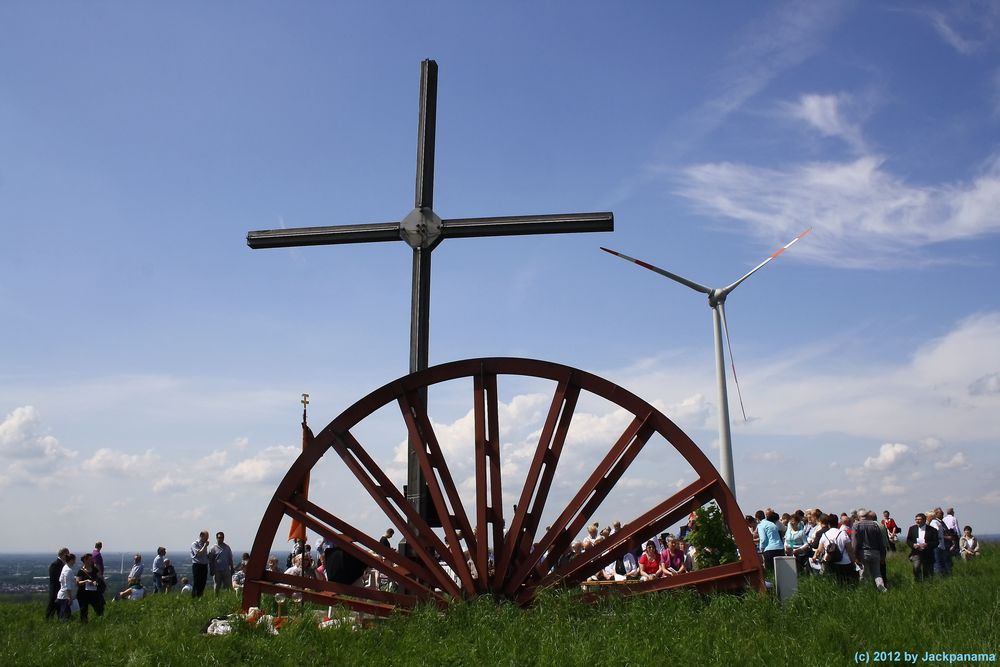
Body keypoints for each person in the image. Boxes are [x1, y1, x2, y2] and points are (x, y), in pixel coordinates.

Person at [852, 509, 887, 592]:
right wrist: (883, 555)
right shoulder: (875, 525)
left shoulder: (856, 525)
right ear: (867, 516)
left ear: (858, 516)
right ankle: (881, 587)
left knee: (864, 573)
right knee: (877, 573)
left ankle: (864, 590)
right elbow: (880, 542)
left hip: (863, 552)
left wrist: (855, 556)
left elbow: (854, 543)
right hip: (876, 552)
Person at [906, 513, 938, 582]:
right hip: (916, 552)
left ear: (924, 520)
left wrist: (927, 544)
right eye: (916, 519)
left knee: (927, 571)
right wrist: (913, 545)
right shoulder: (912, 528)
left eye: (919, 519)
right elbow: (908, 540)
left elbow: (936, 542)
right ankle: (917, 583)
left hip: (928, 553)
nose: (917, 521)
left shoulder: (932, 530)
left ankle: (927, 586)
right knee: (916, 567)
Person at [75, 553, 101, 622]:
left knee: (99, 608)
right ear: (85, 560)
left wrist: (96, 582)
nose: (91, 561)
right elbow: (77, 582)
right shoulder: (81, 571)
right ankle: (84, 625)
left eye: (92, 559)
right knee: (84, 611)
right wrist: (86, 581)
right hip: (83, 594)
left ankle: (100, 622)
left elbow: (99, 578)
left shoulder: (94, 569)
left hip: (93, 593)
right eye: (90, 559)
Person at [45, 547, 69, 620]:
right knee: (52, 606)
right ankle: (48, 620)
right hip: (56, 590)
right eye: (67, 554)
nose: (68, 556)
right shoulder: (55, 564)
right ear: (63, 554)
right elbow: (54, 579)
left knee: (60, 607)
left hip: (61, 590)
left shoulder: (63, 564)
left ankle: (60, 619)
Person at [930, 508, 952, 576]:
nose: (943, 515)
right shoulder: (934, 522)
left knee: (943, 561)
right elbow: (935, 531)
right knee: (938, 562)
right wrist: (944, 537)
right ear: (936, 514)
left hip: (943, 545)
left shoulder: (940, 522)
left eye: (943, 513)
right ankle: (939, 577)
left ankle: (944, 575)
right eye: (941, 513)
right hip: (938, 545)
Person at [56, 553, 77, 621]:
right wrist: (69, 598)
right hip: (65, 597)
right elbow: (67, 586)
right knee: (65, 617)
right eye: (74, 560)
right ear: (71, 560)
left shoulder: (65, 567)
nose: (75, 562)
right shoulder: (68, 570)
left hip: (62, 596)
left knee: (63, 615)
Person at [191, 530, 210, 597]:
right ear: (201, 536)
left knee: (203, 582)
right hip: (197, 565)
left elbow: (204, 555)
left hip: (204, 565)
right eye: (206, 537)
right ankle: (194, 597)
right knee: (197, 582)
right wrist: (205, 546)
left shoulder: (203, 544)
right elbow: (198, 554)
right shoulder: (195, 544)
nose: (207, 539)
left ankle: (200, 596)